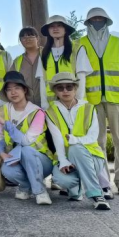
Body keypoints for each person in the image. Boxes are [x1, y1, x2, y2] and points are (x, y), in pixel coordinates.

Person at [79, 7, 119, 196]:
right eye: (93, 19)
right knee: (97, 142)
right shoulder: (79, 44)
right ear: (88, 22)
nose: (97, 21)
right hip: (91, 100)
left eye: (100, 18)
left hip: (117, 99)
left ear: (106, 20)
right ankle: (102, 182)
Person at [45, 73, 111, 210]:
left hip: (92, 158)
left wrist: (75, 140)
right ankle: (77, 187)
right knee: (60, 180)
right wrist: (63, 160)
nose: (65, 91)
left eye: (69, 87)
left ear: (75, 89)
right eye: (60, 88)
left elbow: (92, 137)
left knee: (75, 148)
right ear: (55, 91)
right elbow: (57, 138)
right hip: (68, 160)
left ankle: (96, 194)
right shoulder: (50, 111)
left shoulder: (89, 108)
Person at [0, 71, 54, 205]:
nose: (13, 92)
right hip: (17, 158)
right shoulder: (3, 110)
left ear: (24, 90)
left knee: (26, 150)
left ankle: (40, 191)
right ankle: (25, 186)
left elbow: (27, 141)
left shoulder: (37, 112)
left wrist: (7, 124)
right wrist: (2, 153)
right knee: (7, 170)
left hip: (40, 159)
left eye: (17, 88)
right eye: (9, 89)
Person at [38, 15, 91, 106]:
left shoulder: (77, 49)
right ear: (48, 30)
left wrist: (78, 102)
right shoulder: (43, 53)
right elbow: (42, 80)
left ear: (65, 29)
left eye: (59, 25)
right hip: (52, 104)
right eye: (52, 26)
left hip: (73, 102)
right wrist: (44, 104)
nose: (55, 29)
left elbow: (81, 78)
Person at [11, 27, 44, 107]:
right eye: (23, 37)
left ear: (37, 38)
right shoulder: (17, 61)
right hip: (27, 106)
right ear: (20, 41)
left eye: (30, 35)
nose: (27, 39)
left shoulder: (47, 54)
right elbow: (12, 82)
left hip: (49, 104)